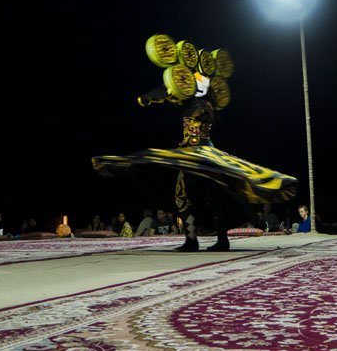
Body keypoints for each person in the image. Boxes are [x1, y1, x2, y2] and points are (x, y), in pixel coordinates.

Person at [93, 35, 297, 252]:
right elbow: (171, 91)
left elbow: (170, 92)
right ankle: (209, 240)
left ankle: (199, 240)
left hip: (196, 154)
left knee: (190, 196)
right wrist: (153, 97)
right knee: (207, 195)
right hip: (202, 153)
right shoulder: (205, 103)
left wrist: (150, 98)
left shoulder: (198, 104)